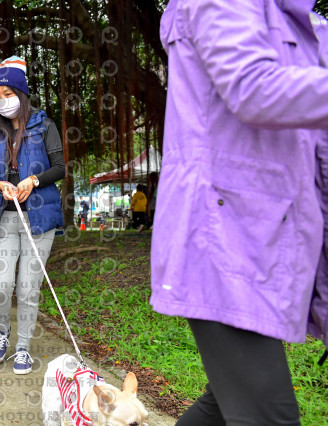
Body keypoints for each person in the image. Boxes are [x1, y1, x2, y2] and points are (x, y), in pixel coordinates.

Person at [152, 2, 328, 425]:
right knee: (270, 416)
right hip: (222, 243)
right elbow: (254, 89)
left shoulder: (307, 24)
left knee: (223, 406)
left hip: (270, 246)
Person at [0, 56, 65, 374]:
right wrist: (0, 183)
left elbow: (59, 168)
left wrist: (33, 180)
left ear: (22, 93)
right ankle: (2, 331)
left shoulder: (44, 125)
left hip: (39, 219)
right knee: (0, 286)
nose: (2, 101)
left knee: (29, 289)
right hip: (4, 216)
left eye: (8, 93)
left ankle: (23, 349)